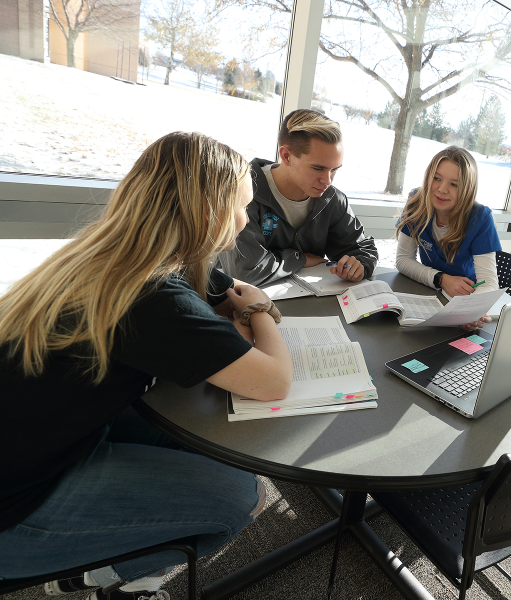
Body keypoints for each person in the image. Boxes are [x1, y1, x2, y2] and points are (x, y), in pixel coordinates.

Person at [0, 132, 293, 600]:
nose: (245, 221)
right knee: (244, 497)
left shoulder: (115, 253)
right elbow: (275, 381)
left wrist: (234, 312)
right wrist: (259, 310)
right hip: (17, 510)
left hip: (39, 446)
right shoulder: (153, 296)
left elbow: (222, 290)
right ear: (207, 213)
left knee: (204, 447)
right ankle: (111, 574)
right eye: (241, 207)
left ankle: (94, 570)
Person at [217, 109, 378, 286]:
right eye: (318, 168)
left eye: (334, 169)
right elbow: (245, 270)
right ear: (286, 156)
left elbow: (362, 249)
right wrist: (298, 259)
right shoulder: (242, 194)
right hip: (235, 304)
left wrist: (360, 265)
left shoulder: (332, 199)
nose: (328, 180)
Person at [395, 146, 502, 328]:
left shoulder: (480, 218)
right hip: (431, 292)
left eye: (454, 184)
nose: (442, 189)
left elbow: (489, 283)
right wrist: (441, 279)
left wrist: (470, 310)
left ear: (467, 190)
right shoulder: (417, 202)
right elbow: (403, 260)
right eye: (437, 178)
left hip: (468, 297)